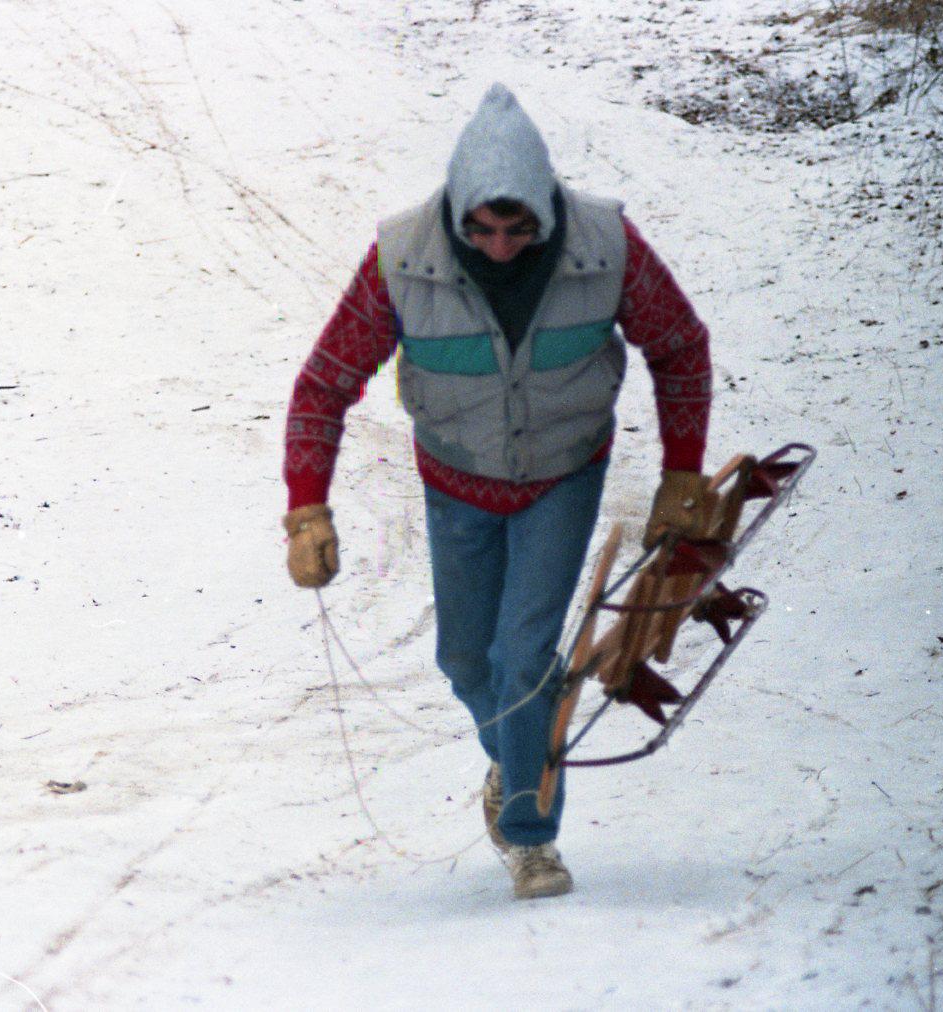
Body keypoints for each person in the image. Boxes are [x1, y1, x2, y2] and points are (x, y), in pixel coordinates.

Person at [281, 84, 713, 900]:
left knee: (521, 656)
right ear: (456, 215)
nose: (502, 246)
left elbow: (680, 344)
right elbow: (324, 383)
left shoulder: (606, 246)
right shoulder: (402, 260)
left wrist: (682, 471)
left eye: (519, 230)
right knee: (465, 658)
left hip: (563, 472)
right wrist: (308, 507)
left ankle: (530, 838)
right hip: (456, 478)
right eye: (483, 230)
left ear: (546, 210)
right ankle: (518, 754)